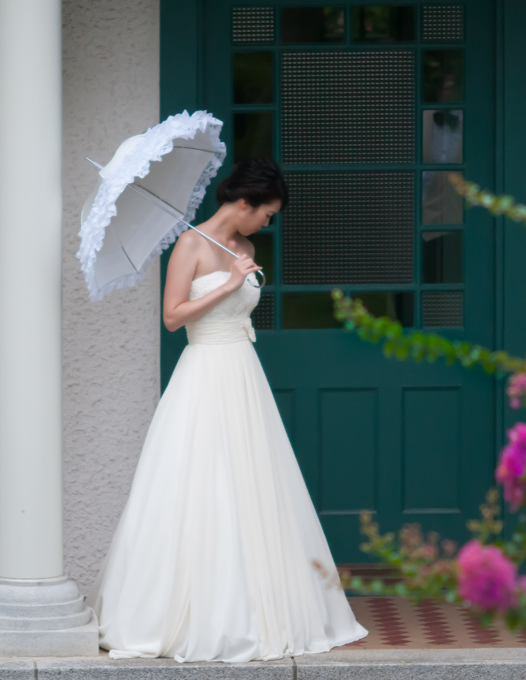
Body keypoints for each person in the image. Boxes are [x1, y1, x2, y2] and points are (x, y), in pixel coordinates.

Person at [87, 158, 368, 663]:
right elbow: (173, 318)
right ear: (244, 203)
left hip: (244, 375)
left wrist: (239, 276)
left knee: (255, 485)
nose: (267, 223)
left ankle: (263, 609)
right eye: (267, 213)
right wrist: (227, 285)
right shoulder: (189, 245)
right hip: (204, 373)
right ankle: (190, 615)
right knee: (199, 484)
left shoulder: (245, 247)